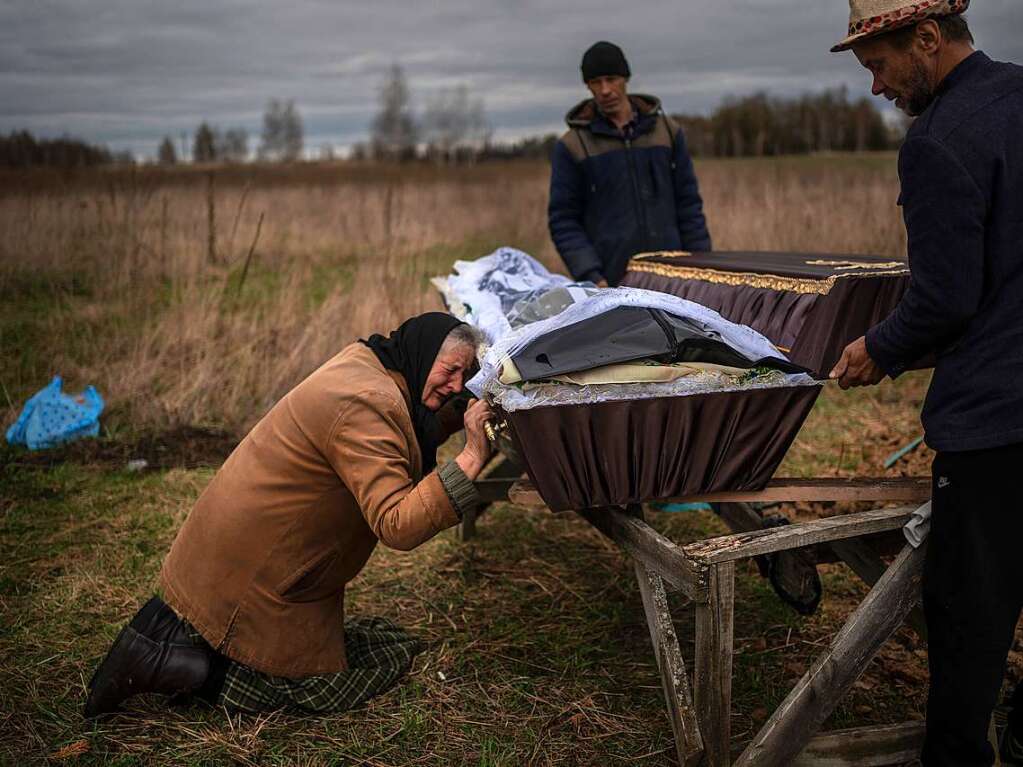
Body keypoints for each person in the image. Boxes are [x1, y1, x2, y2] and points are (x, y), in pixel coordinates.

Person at [84, 313, 493, 717]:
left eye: (465, 375)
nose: (456, 383)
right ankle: (190, 669)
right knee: (339, 680)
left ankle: (166, 637)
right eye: (451, 369)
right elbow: (397, 524)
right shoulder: (369, 404)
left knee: (381, 641)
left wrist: (460, 411)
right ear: (424, 353)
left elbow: (405, 430)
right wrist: (471, 455)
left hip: (230, 557)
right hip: (256, 577)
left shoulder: (367, 365)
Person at [828, 2, 1023, 764]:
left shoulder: (937, 142)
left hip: (995, 430)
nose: (876, 87)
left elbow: (944, 297)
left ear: (928, 39)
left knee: (967, 626)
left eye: (878, 65)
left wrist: (878, 346)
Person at [548, 41, 711, 288]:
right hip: (613, 283)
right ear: (588, 86)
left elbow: (688, 204)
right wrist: (592, 277)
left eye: (611, 79)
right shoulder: (573, 146)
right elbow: (563, 220)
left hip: (675, 277)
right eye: (596, 82)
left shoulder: (667, 132)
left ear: (625, 78)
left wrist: (703, 268)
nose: (605, 90)